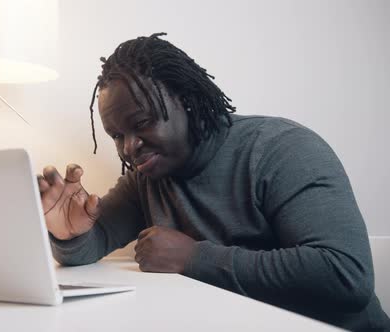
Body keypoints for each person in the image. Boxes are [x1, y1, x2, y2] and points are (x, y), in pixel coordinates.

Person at [36, 33, 389, 331]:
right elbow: (90, 247)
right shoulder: (148, 175)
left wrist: (193, 258)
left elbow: (345, 276)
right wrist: (70, 235)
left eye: (142, 123)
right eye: (116, 135)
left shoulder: (281, 149)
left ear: (186, 102)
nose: (129, 148)